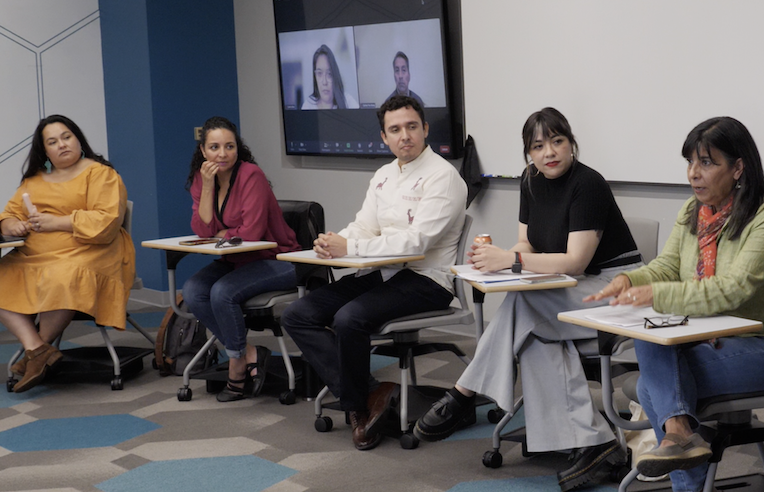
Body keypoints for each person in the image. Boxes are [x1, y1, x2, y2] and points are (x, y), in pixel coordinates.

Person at [414, 107, 643, 491]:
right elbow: (528, 242)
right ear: (528, 154)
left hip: (613, 287)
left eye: (558, 141)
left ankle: (464, 393)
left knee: (522, 306)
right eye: (538, 146)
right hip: (566, 289)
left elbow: (576, 261)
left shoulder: (588, 184)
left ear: (571, 143)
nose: (549, 152)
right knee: (535, 337)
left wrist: (513, 261)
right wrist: (499, 260)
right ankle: (596, 444)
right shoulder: (530, 181)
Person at [585, 117, 764, 492]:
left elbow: (731, 291)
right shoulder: (693, 212)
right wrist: (629, 280)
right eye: (690, 162)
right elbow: (668, 266)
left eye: (706, 163)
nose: (693, 174)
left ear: (738, 168)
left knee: (656, 387)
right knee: (651, 341)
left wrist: (655, 295)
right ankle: (681, 436)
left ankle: (681, 449)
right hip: (707, 335)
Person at [282, 95, 467, 450]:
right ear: (384, 137)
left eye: (412, 127)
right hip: (383, 271)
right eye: (395, 130)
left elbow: (417, 243)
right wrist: (336, 241)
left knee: (349, 319)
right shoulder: (384, 175)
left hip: (427, 279)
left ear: (425, 129)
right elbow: (364, 226)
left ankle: (356, 409)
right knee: (298, 314)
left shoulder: (444, 177)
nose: (405, 136)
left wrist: (351, 249)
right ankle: (371, 392)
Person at [0, 115, 135, 393]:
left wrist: (56, 222)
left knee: (64, 275)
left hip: (91, 251)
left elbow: (106, 222)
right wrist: (13, 224)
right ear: (44, 151)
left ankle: (37, 352)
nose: (62, 145)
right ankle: (37, 350)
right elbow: (8, 215)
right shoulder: (34, 181)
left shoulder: (101, 174)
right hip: (35, 254)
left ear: (78, 139)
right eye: (52, 142)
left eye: (66, 137)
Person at [182, 116, 301, 402]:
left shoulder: (251, 175)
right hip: (237, 260)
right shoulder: (202, 179)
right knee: (193, 291)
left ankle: (235, 362)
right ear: (203, 151)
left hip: (279, 259)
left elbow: (252, 233)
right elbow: (201, 229)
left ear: (238, 148)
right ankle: (247, 352)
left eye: (229, 146)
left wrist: (222, 231)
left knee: (223, 292)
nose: (222, 154)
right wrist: (209, 186)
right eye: (214, 147)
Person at [300, 44, 358, 110]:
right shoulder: (308, 105)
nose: (324, 82)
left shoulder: (348, 102)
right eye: (319, 73)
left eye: (329, 74)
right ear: (315, 77)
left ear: (335, 76)